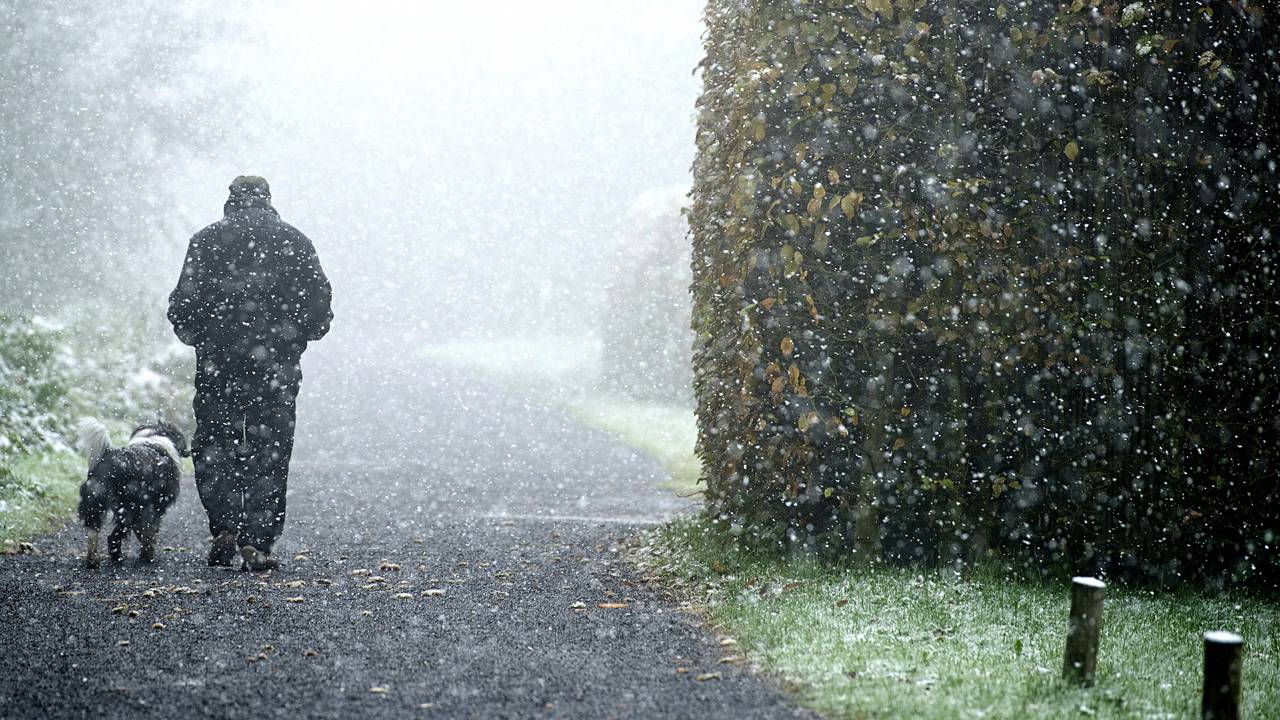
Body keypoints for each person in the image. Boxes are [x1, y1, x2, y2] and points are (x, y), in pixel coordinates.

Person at [168, 176, 332, 571]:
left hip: (218, 364)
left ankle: (224, 527)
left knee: (215, 442)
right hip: (274, 368)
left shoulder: (206, 242)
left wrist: (203, 338)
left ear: (231, 201)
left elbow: (181, 306)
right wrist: (294, 339)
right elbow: (319, 307)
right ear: (268, 201)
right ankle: (258, 541)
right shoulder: (295, 241)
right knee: (271, 450)